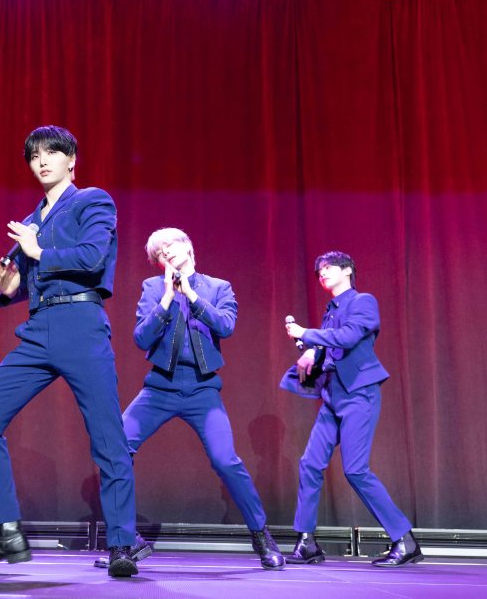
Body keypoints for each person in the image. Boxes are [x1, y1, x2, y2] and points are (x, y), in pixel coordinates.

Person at [0, 125, 139, 578]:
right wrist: (10, 287)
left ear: (71, 160)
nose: (41, 161)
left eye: (51, 153)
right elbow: (27, 280)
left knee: (108, 439)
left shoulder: (93, 201)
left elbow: (92, 256)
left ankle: (122, 544)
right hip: (40, 329)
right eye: (34, 155)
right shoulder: (32, 218)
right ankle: (7, 531)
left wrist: (37, 249)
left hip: (81, 324)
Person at [100, 228, 284, 570]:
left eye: (170, 246)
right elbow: (141, 338)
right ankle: (123, 543)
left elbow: (226, 325)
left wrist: (193, 297)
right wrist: (168, 298)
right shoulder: (153, 288)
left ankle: (262, 537)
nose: (165, 253)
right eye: (159, 253)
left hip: (202, 390)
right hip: (160, 388)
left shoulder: (218, 287)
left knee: (226, 460)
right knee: (115, 450)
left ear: (187, 246)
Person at [282, 251, 423, 567]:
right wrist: (313, 352)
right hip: (333, 395)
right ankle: (306, 542)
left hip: (359, 394)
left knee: (355, 469)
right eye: (319, 270)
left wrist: (306, 334)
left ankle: (405, 540)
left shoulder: (363, 302)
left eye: (328, 267)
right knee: (310, 463)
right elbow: (331, 345)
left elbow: (347, 337)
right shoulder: (330, 311)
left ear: (347, 270)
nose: (322, 273)